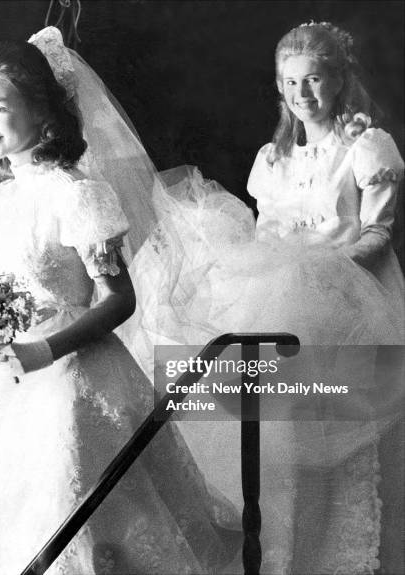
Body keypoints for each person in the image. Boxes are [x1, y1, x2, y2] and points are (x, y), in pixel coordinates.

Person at [0, 33, 241, 574]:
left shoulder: (76, 193)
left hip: (74, 378)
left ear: (44, 116)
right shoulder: (8, 195)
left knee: (78, 516)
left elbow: (118, 299)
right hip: (7, 387)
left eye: (0, 109)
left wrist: (44, 350)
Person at [124, 21, 404, 574]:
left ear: (341, 81)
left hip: (351, 306)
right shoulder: (272, 160)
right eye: (292, 82)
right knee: (271, 434)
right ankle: (279, 556)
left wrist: (316, 273)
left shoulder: (365, 148)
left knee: (340, 444)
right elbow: (265, 238)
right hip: (282, 304)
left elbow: (377, 237)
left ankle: (345, 561)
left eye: (316, 79)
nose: (304, 94)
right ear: (280, 88)